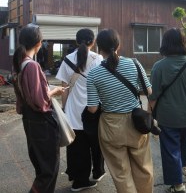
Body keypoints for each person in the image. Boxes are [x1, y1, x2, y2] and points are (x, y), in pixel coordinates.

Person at [86, 29, 154, 193]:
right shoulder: (134, 64)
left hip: (111, 126)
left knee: (121, 172)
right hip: (136, 122)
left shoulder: (93, 74)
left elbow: (93, 109)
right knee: (143, 167)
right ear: (118, 45)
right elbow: (149, 91)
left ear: (99, 48)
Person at [148, 28, 186, 193]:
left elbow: (153, 97)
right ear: (183, 43)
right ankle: (177, 175)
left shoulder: (159, 66)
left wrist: (149, 116)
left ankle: (178, 185)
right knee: (181, 147)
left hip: (168, 117)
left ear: (165, 44)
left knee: (171, 150)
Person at [12, 24, 65, 193]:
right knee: (49, 170)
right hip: (41, 121)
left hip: (29, 119)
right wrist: (54, 91)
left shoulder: (20, 64)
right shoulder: (32, 66)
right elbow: (39, 100)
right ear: (39, 43)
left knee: (42, 167)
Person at [56, 29, 105, 191]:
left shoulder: (68, 60)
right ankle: (98, 172)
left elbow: (65, 89)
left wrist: (64, 109)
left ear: (77, 42)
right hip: (93, 111)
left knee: (77, 148)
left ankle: (79, 180)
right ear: (93, 41)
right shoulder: (98, 59)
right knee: (97, 144)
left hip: (73, 111)